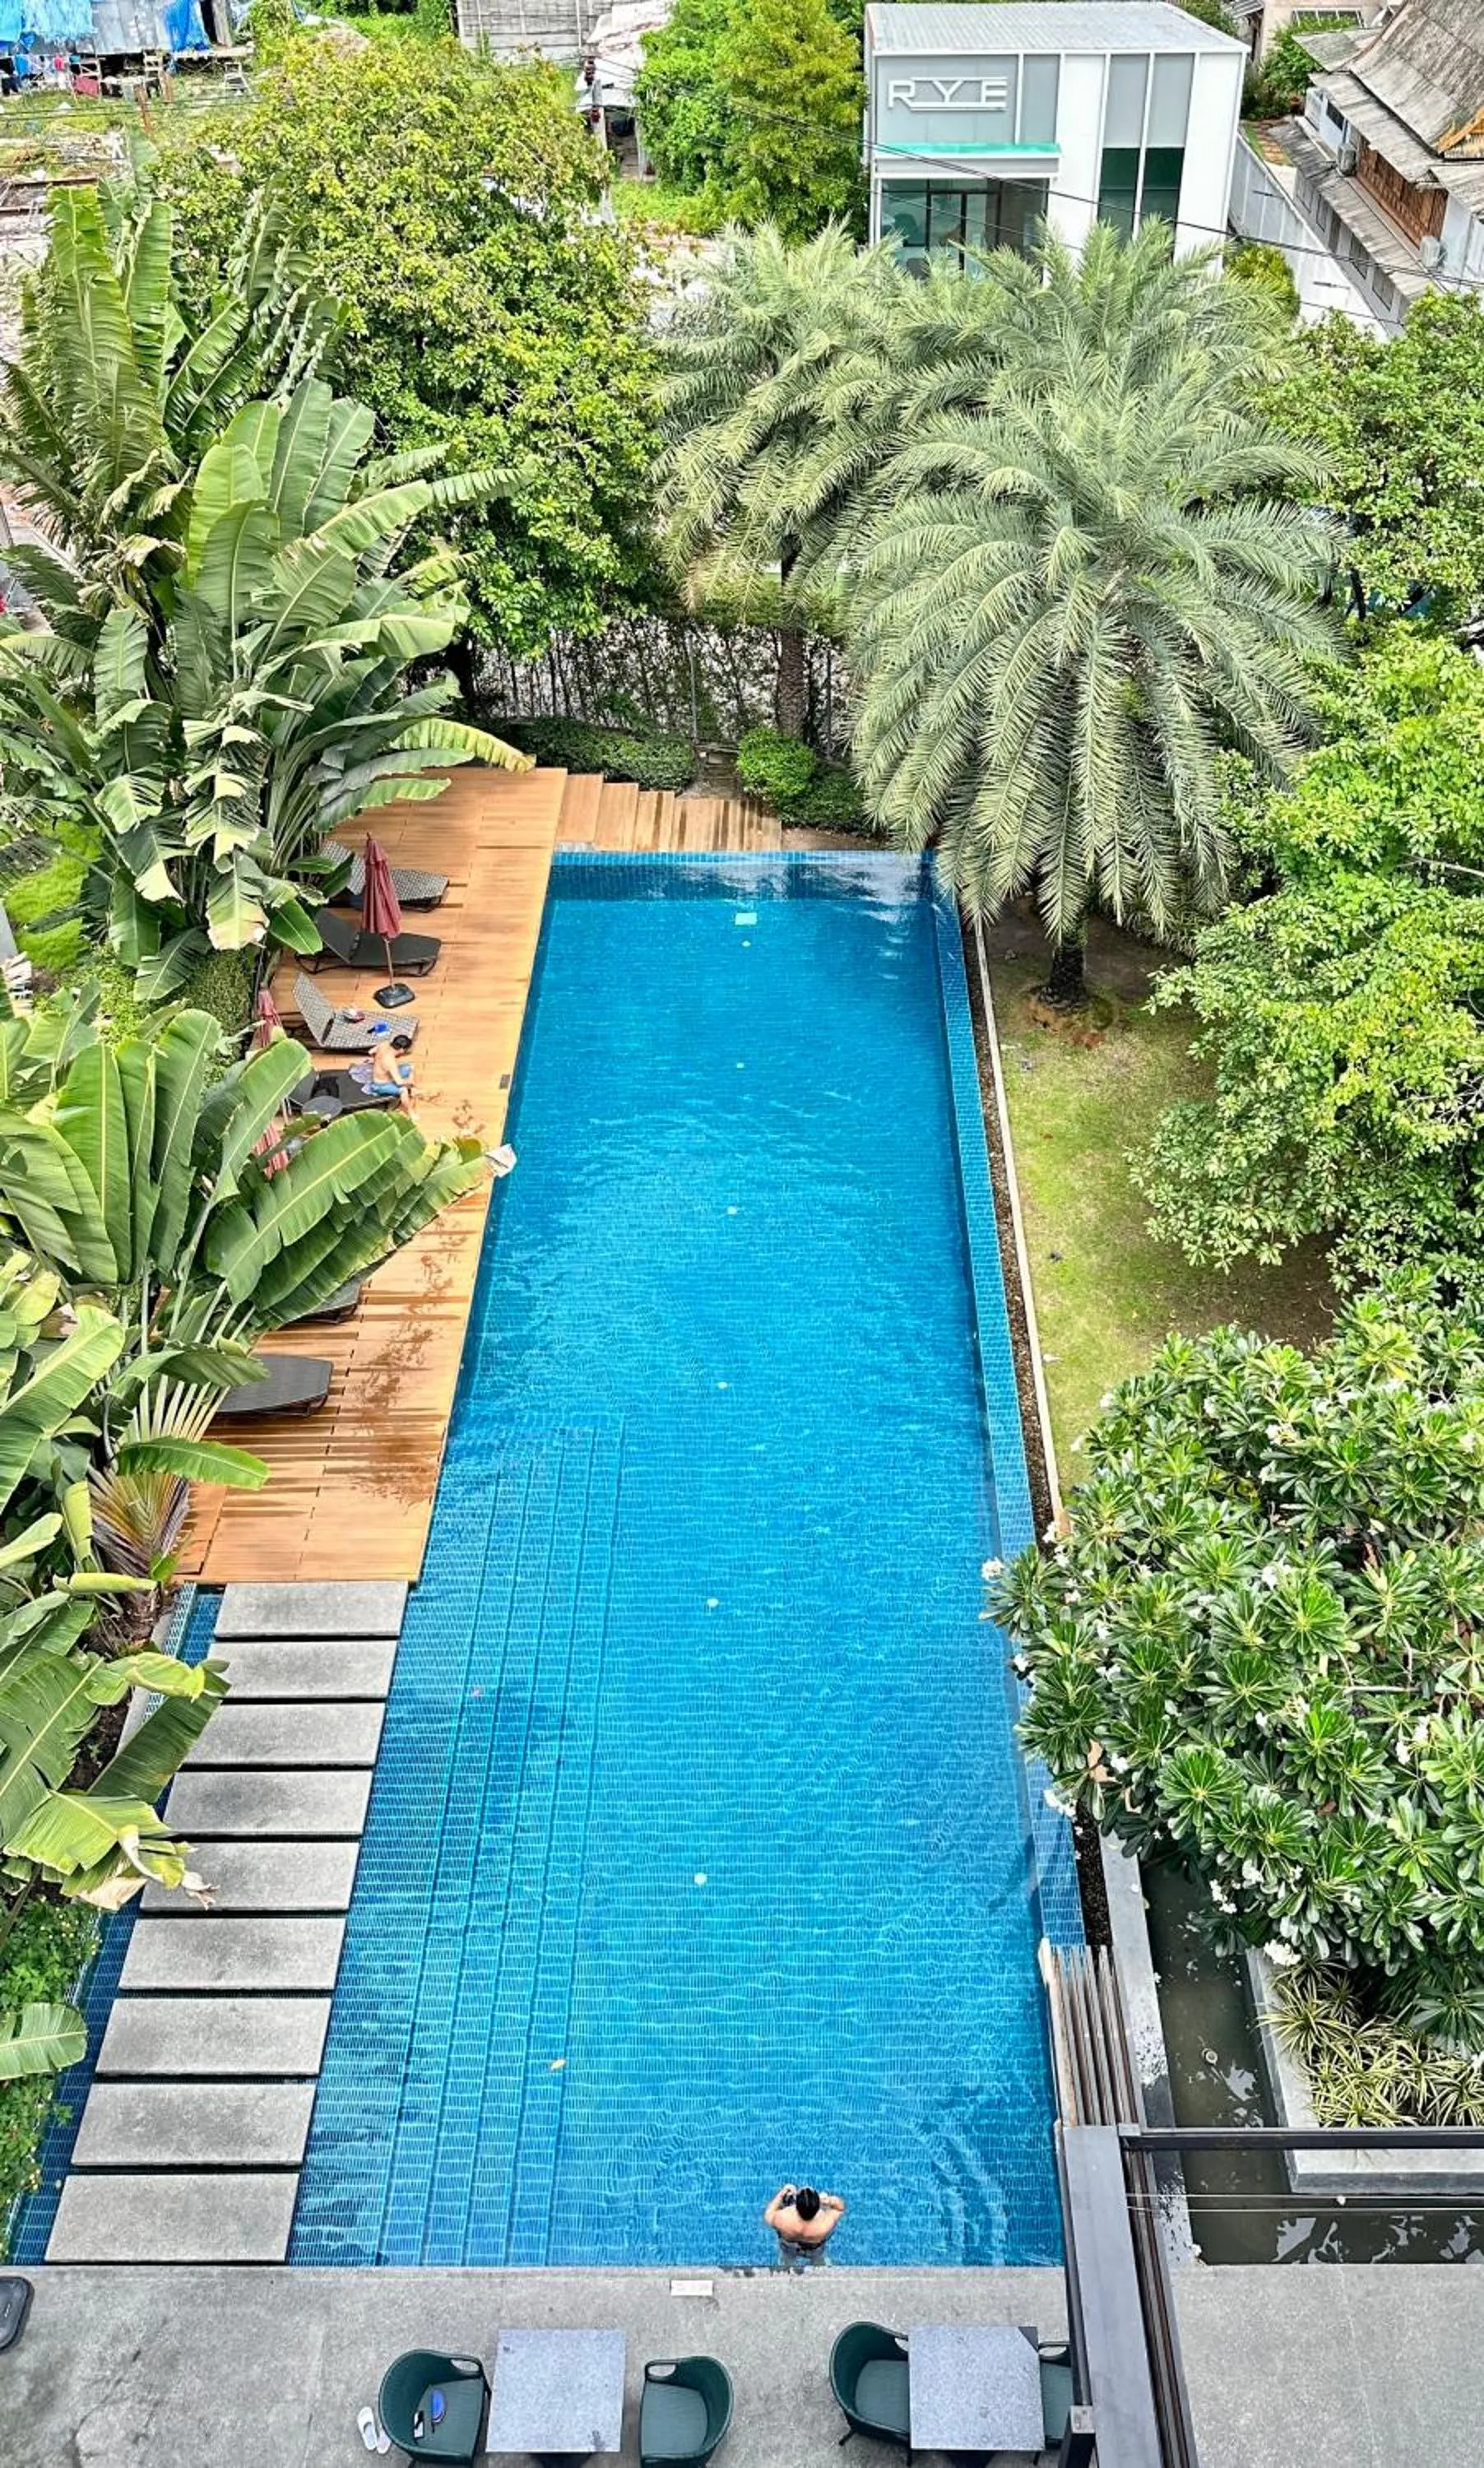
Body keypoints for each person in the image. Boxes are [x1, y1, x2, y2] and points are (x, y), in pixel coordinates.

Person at [764, 2182, 846, 2264]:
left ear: (796, 2206)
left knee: (787, 2260)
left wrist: (782, 2193)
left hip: (789, 2246)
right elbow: (839, 2208)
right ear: (818, 2206)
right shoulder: (825, 2224)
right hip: (814, 2249)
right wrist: (828, 2200)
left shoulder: (783, 2219)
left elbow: (768, 2214)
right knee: (819, 2261)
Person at [350, 1025, 415, 1111]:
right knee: (403, 1090)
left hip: (383, 1075)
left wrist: (377, 1061)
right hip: (380, 1085)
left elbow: (371, 1052)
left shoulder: (384, 1044)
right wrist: (410, 1082)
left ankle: (413, 1090)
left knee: (410, 1066)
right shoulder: (391, 1062)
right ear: (402, 1050)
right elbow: (399, 1082)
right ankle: (411, 1112)